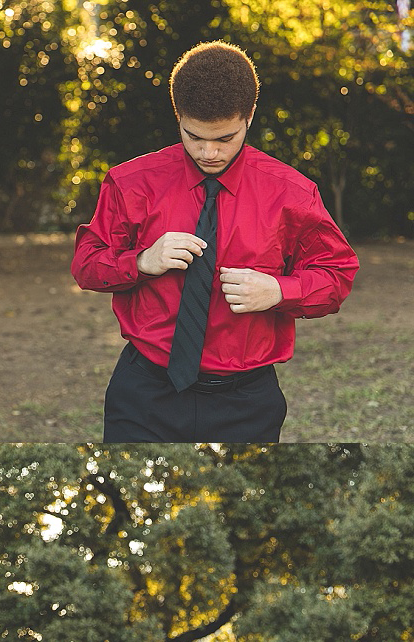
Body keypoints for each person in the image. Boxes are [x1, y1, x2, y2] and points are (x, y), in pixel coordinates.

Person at [72, 41, 358, 443]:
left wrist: (279, 290)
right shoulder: (131, 182)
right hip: (144, 395)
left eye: (225, 138)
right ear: (178, 118)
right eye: (194, 136)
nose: (208, 152)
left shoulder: (292, 193)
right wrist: (140, 261)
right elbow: (86, 264)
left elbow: (337, 274)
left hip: (246, 402)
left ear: (249, 117)